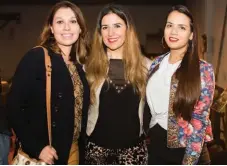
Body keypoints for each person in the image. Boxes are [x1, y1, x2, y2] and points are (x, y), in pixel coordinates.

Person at [7, 1, 90, 164]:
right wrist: (37, 147)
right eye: (60, 22)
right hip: (48, 153)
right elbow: (13, 107)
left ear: (80, 28)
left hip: (74, 152)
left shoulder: (78, 67)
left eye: (73, 21)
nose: (67, 27)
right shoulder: (37, 57)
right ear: (51, 28)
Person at [143, 5, 215, 165]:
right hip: (155, 146)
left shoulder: (203, 69)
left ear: (191, 35)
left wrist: (188, 162)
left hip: (186, 151)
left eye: (181, 27)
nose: (173, 32)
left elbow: (199, 121)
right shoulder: (156, 63)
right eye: (170, 25)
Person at [85, 4, 151, 165]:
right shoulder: (89, 67)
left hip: (133, 151)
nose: (111, 33)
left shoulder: (147, 67)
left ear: (128, 29)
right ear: (100, 32)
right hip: (96, 151)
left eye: (117, 26)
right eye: (105, 27)